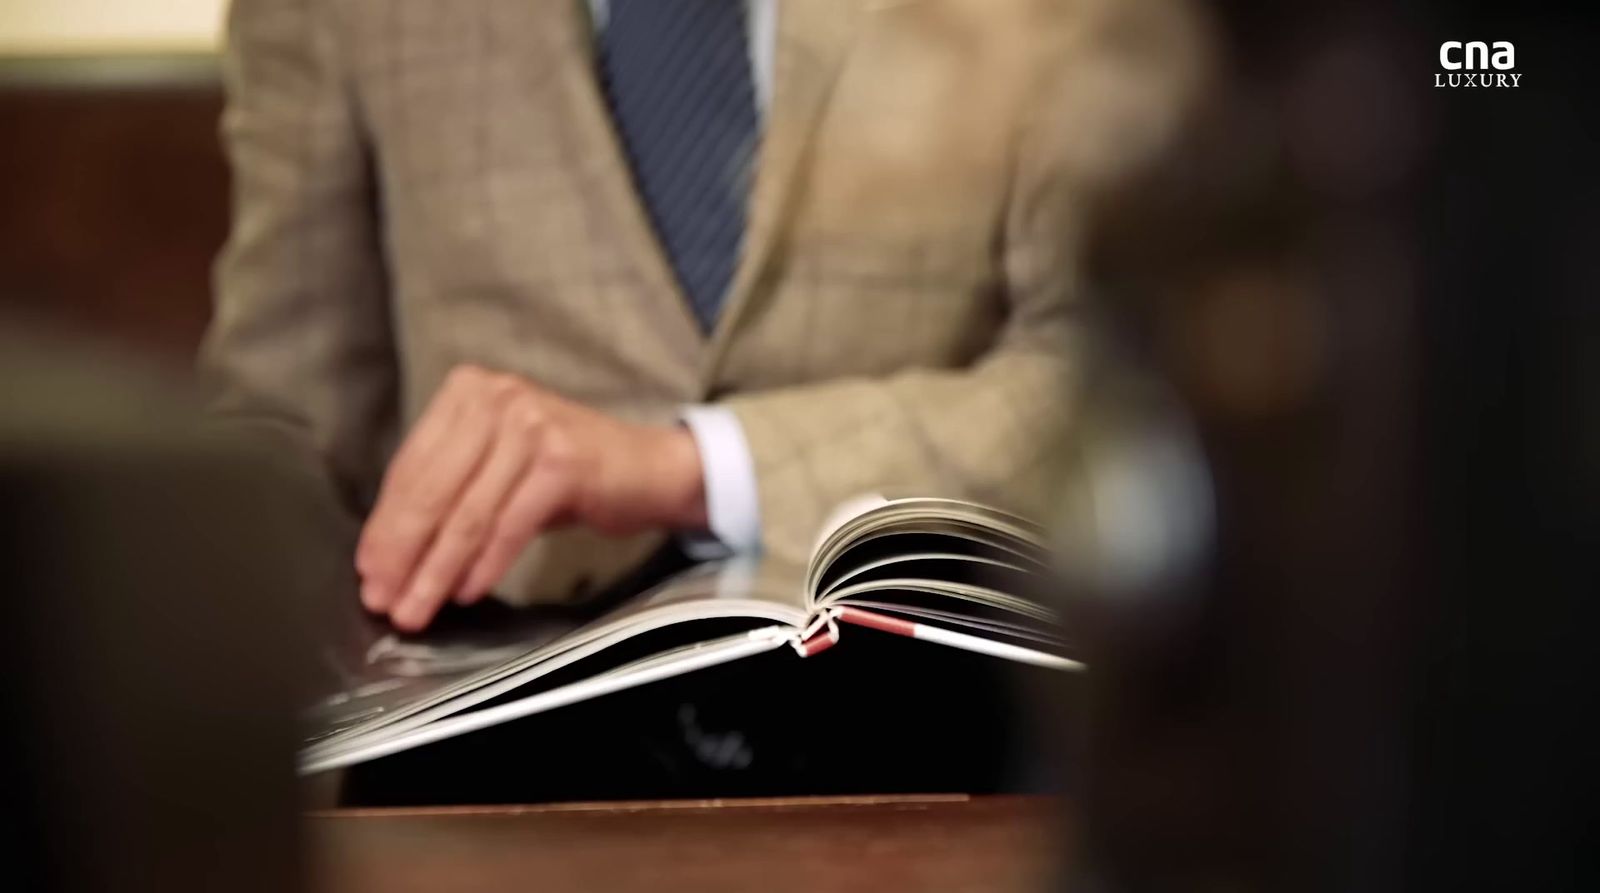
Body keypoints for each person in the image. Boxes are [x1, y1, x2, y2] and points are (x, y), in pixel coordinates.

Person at [202, 0, 1204, 802]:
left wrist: (691, 465)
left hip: (932, 744)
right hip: (490, 765)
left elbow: (1104, 380)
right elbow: (282, 426)